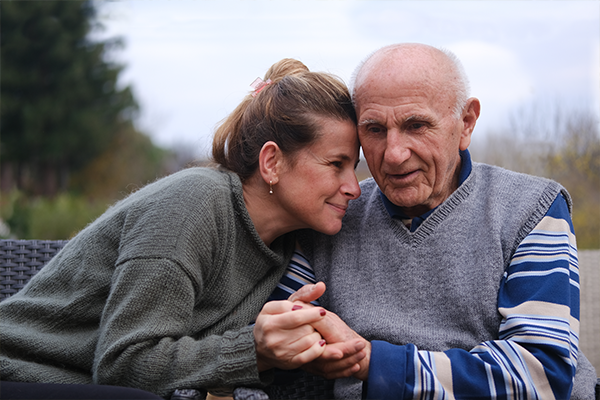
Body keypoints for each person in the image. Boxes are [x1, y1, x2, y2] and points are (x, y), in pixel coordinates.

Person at [0, 58, 366, 400]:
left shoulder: (281, 248)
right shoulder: (195, 204)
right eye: (336, 164)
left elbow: (194, 356)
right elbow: (123, 366)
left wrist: (296, 350)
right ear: (271, 162)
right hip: (19, 372)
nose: (353, 186)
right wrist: (253, 351)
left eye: (354, 166)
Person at [283, 44, 598, 399]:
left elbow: (541, 373)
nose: (394, 154)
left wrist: (375, 363)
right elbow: (284, 336)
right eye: (374, 129)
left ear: (465, 123)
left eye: (416, 125)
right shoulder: (332, 213)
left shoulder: (531, 208)